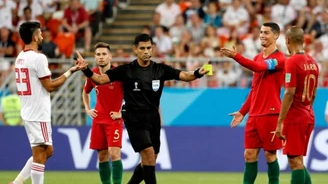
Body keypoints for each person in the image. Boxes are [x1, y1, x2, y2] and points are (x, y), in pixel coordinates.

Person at [75, 33, 209, 184]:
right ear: (135, 50)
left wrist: (198, 73)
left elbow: (184, 75)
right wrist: (86, 70)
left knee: (151, 158)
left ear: (152, 49)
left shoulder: (160, 69)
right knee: (148, 153)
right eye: (142, 48)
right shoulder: (126, 70)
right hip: (134, 117)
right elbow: (99, 79)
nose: (146, 51)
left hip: (153, 117)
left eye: (148, 48)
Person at [10, 21, 80, 184]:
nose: (42, 36)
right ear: (35, 37)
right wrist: (71, 71)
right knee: (42, 154)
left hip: (29, 110)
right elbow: (49, 86)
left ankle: (16, 183)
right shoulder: (38, 58)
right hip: (38, 112)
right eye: (40, 34)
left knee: (46, 151)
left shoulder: (20, 57)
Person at [220, 22, 286, 184]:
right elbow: (254, 89)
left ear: (276, 36)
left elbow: (258, 68)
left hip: (270, 113)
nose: (262, 35)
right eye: (261, 32)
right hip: (254, 115)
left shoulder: (279, 59)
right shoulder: (257, 56)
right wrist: (243, 111)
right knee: (249, 154)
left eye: (267, 33)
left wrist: (236, 56)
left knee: (270, 155)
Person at [275, 26, 319, 184]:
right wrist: (307, 109)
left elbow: (289, 93)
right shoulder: (313, 63)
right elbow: (313, 93)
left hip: (295, 117)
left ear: (287, 41)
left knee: (295, 162)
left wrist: (280, 121)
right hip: (308, 114)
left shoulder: (292, 62)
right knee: (298, 160)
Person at [82, 42, 124, 184]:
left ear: (110, 56)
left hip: (114, 120)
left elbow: (132, 95)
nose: (101, 57)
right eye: (98, 54)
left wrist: (122, 112)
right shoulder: (92, 74)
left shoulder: (119, 74)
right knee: (102, 156)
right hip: (98, 119)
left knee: (114, 153)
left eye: (104, 54)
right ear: (95, 57)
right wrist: (87, 108)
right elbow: (85, 91)